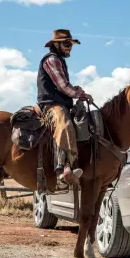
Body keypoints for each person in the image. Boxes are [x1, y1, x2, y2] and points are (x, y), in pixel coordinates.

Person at [36, 29, 93, 185]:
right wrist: (79, 94)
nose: (70, 47)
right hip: (51, 105)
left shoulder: (59, 60)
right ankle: (62, 168)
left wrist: (77, 91)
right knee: (65, 124)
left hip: (60, 102)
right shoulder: (52, 59)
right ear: (56, 45)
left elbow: (64, 86)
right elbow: (62, 86)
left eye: (71, 44)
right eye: (66, 44)